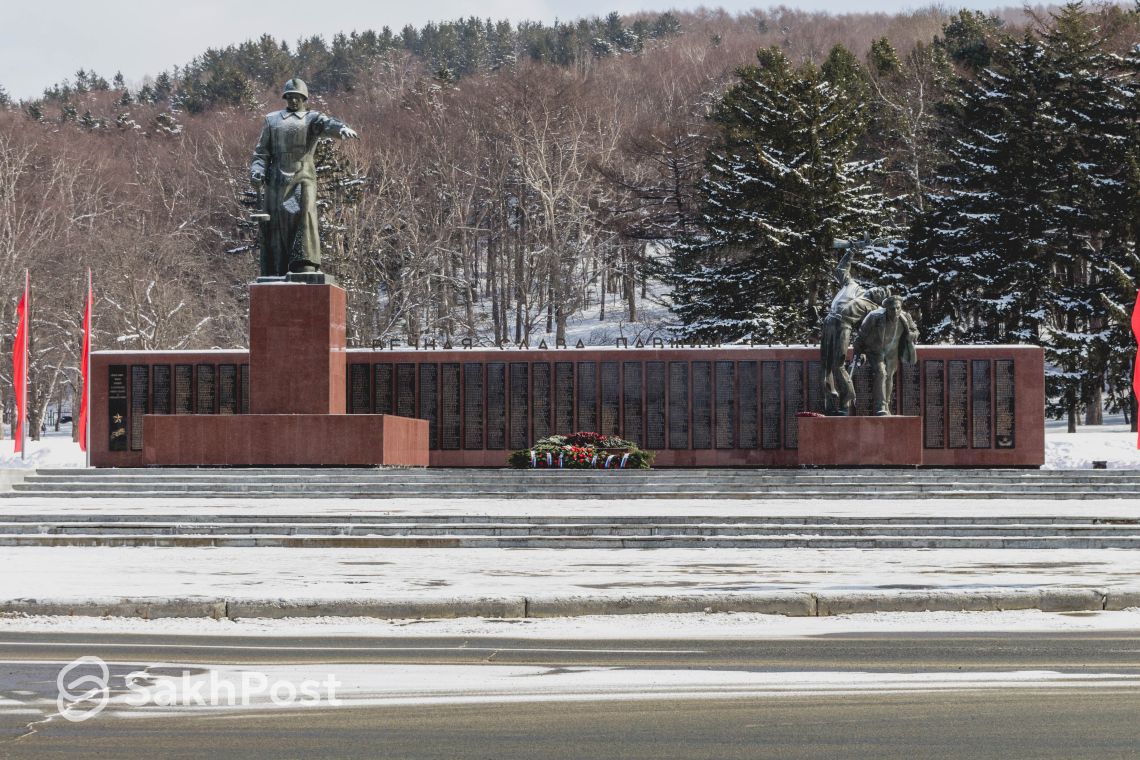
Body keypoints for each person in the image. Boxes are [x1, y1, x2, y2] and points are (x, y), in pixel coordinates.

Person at [250, 78, 358, 278]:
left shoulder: (312, 118)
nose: (293, 101)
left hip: (303, 175)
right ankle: (278, 267)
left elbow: (328, 124)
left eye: (297, 97)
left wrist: (340, 128)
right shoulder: (272, 120)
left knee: (304, 214)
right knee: (277, 223)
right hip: (276, 179)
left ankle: (304, 262)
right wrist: (257, 170)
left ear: (304, 98)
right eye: (289, 97)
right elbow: (261, 153)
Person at [819, 246, 892, 415]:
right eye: (881, 288)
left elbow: (865, 331)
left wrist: (862, 350)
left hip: (844, 326)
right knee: (825, 368)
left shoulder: (872, 309)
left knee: (838, 365)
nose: (880, 291)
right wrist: (850, 252)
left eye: (884, 293)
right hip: (828, 322)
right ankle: (830, 405)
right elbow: (840, 270)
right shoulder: (852, 285)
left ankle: (846, 401)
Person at [851, 296, 918, 416]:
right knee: (881, 373)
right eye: (892, 309)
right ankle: (880, 406)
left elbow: (915, 331)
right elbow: (861, 335)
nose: (896, 311)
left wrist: (911, 336)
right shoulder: (874, 317)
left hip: (892, 352)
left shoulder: (905, 317)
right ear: (886, 308)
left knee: (889, 377)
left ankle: (886, 404)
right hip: (875, 351)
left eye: (898, 308)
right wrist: (858, 351)